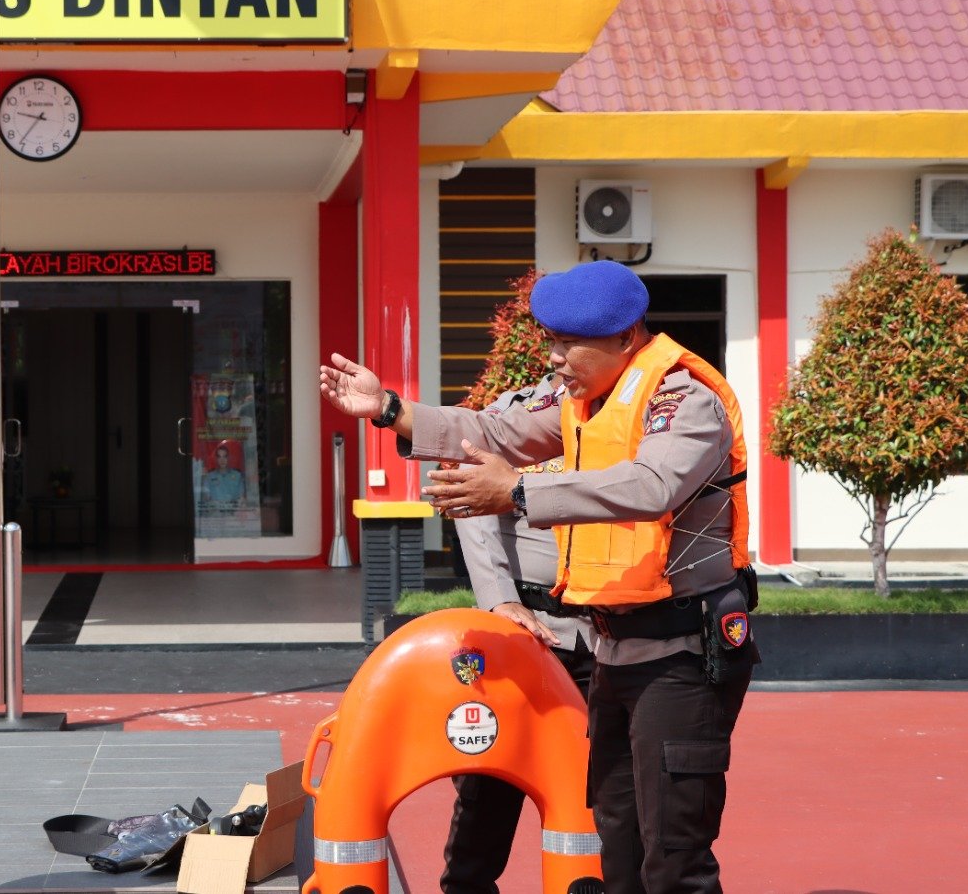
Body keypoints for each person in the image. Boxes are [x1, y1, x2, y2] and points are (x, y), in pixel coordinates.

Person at [319, 261, 756, 894]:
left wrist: (517, 492)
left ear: (626, 338)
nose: (552, 357)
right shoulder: (579, 401)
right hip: (614, 650)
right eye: (548, 340)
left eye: (566, 343)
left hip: (681, 656)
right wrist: (390, 408)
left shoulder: (683, 402)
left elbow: (653, 485)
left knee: (675, 855)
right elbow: (495, 431)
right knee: (617, 836)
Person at [442, 379, 596, 894]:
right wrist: (499, 599)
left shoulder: (635, 415)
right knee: (490, 776)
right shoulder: (519, 414)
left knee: (604, 787)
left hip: (606, 634)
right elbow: (471, 498)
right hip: (524, 630)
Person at [199, 441, 246, 506]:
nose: (222, 460)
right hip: (215, 513)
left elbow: (241, 497)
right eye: (219, 457)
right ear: (216, 459)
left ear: (229, 458)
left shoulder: (238, 476)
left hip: (234, 513)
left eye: (225, 456)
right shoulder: (209, 477)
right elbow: (206, 499)